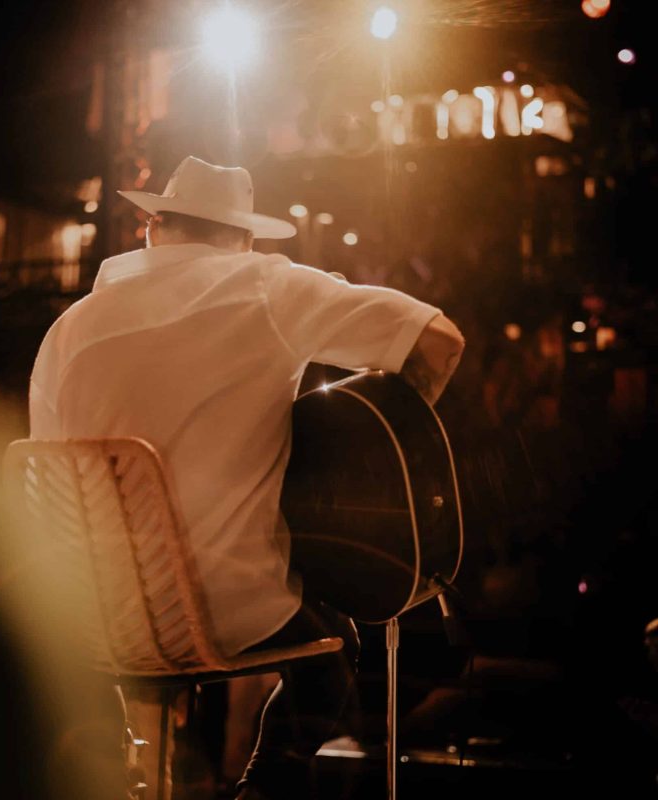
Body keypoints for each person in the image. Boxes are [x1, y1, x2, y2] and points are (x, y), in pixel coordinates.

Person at [28, 155, 465, 800]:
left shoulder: (69, 328)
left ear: (152, 226)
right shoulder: (268, 286)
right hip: (225, 610)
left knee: (148, 659)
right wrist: (362, 443)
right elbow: (439, 339)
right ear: (246, 240)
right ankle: (264, 787)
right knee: (335, 651)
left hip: (89, 616)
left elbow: (46, 474)